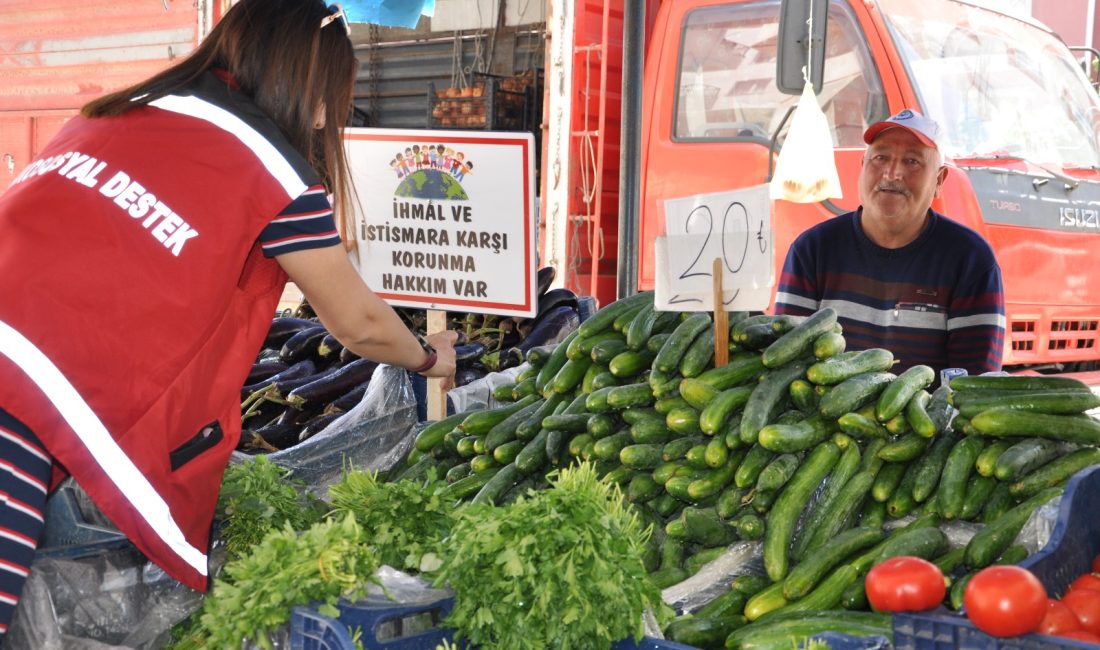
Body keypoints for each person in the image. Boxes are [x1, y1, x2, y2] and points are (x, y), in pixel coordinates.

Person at [0, 0, 457, 634]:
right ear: (302, 78)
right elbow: (358, 322)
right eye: (334, 94)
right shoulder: (268, 169)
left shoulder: (116, 113)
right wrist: (431, 357)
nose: (332, 113)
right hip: (30, 401)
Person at [774, 109, 1005, 375]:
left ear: (939, 180)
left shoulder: (971, 261)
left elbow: (973, 386)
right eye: (881, 158)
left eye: (912, 161)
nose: (892, 173)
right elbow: (787, 365)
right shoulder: (812, 250)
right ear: (862, 167)